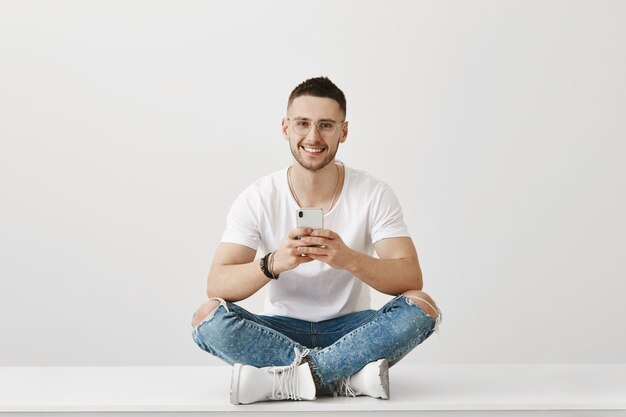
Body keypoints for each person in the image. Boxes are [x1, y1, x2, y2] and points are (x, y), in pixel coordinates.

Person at [191, 76, 441, 405]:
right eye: (302, 124)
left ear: (344, 131)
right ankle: (344, 377)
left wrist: (348, 258)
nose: (313, 137)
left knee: (422, 308)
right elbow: (217, 284)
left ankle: (287, 380)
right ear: (285, 128)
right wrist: (274, 263)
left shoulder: (373, 193)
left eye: (326, 125)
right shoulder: (258, 197)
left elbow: (410, 278)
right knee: (206, 317)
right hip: (279, 329)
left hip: (353, 330)